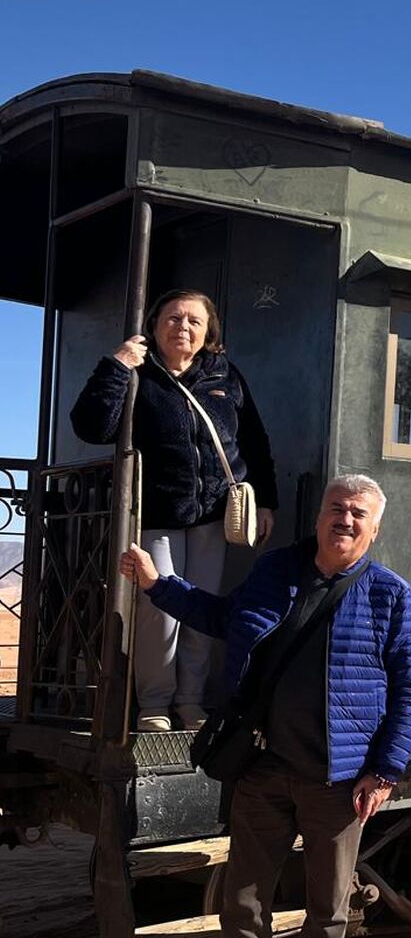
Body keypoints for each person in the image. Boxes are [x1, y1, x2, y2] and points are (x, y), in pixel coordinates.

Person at [119, 473, 411, 938]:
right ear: (318, 517)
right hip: (261, 771)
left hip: (338, 783)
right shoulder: (274, 573)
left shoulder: (392, 596)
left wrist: (385, 770)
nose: (345, 520)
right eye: (337, 509)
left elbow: (409, 688)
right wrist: (159, 585)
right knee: (243, 907)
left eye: (358, 513)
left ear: (375, 527)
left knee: (329, 911)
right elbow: (221, 617)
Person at [72, 288, 278, 731]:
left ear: (209, 332)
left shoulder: (226, 376)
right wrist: (116, 366)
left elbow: (255, 444)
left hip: (213, 517)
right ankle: (154, 704)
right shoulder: (137, 373)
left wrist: (267, 500)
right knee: (160, 612)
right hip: (157, 514)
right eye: (173, 318)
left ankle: (190, 703)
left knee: (202, 610)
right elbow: (91, 427)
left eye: (193, 321)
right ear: (154, 324)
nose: (183, 327)